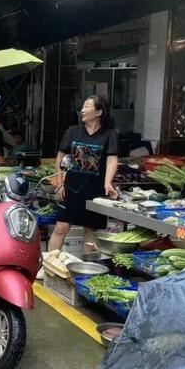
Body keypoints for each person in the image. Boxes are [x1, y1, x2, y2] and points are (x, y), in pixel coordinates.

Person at [47, 96, 119, 253]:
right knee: (61, 227)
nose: (82, 110)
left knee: (90, 231)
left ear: (99, 112)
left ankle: (87, 270)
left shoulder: (109, 134)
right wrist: (59, 185)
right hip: (71, 187)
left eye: (87, 106)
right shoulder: (73, 131)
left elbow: (112, 160)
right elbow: (60, 158)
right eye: (83, 107)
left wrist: (108, 183)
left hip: (95, 190)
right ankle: (48, 265)